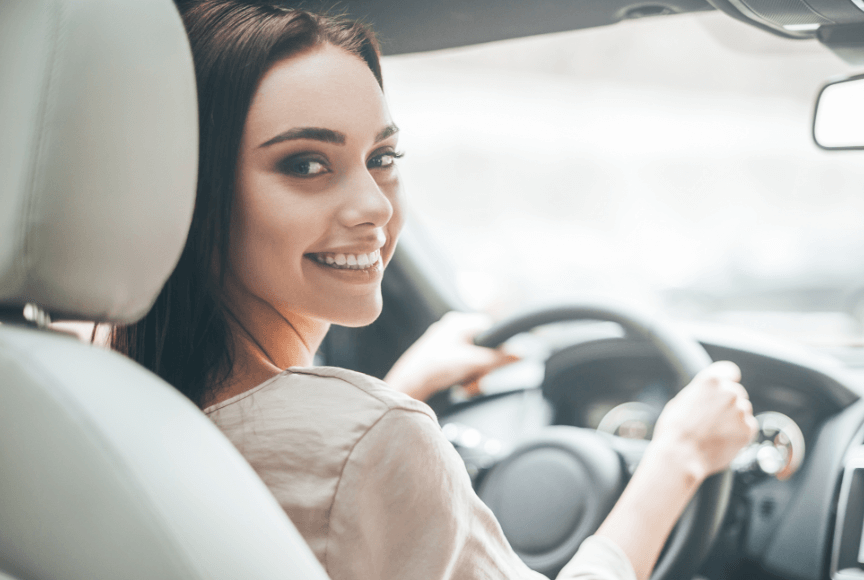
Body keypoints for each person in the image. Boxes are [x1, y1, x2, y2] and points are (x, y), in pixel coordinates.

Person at [112, 2, 758, 579]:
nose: (374, 206)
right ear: (190, 190)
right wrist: (678, 460)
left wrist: (403, 387)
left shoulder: (105, 398)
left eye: (383, 159)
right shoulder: (378, 438)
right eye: (306, 164)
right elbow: (343, 458)